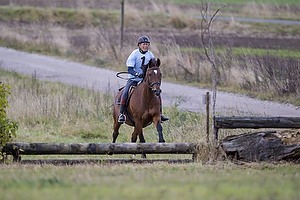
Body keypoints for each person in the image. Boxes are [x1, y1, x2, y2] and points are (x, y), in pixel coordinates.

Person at [118, 36, 169, 123]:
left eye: (147, 44)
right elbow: (130, 69)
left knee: (157, 94)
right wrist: (137, 74)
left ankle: (160, 113)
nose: (145, 46)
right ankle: (122, 114)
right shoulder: (134, 54)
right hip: (134, 79)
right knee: (126, 92)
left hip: (146, 80)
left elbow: (153, 67)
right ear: (139, 45)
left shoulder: (150, 55)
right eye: (143, 44)